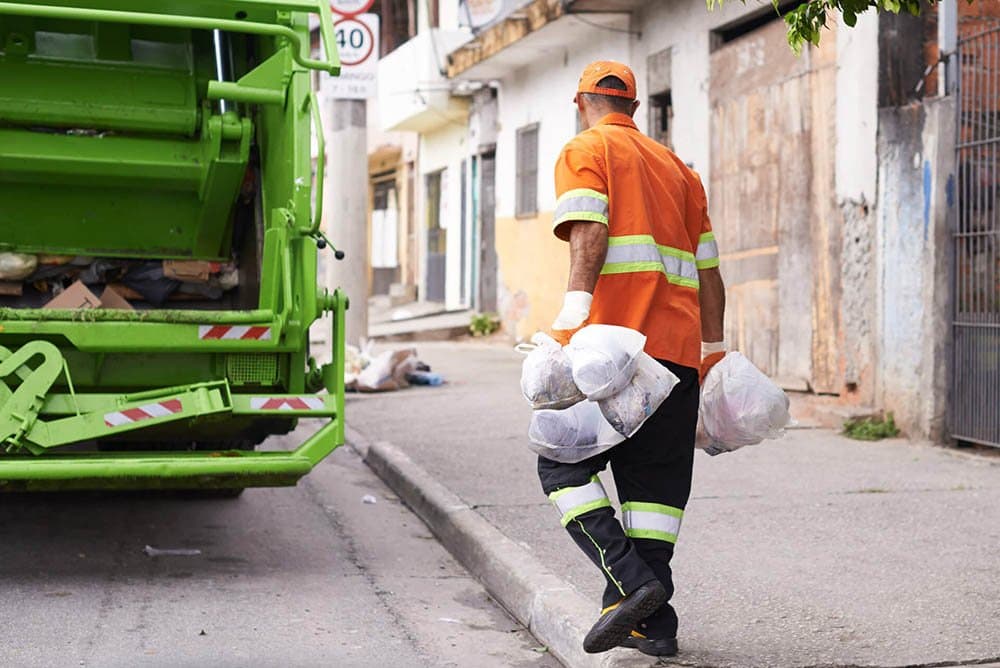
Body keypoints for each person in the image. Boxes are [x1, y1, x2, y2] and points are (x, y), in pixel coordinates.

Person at [539, 60, 727, 657]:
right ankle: (654, 622)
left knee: (560, 465)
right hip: (677, 358)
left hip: (611, 355)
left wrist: (572, 313)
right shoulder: (681, 171)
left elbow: (588, 231)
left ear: (580, 102)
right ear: (636, 109)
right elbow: (710, 272)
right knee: (655, 493)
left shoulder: (585, 149)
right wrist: (714, 351)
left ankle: (633, 581)